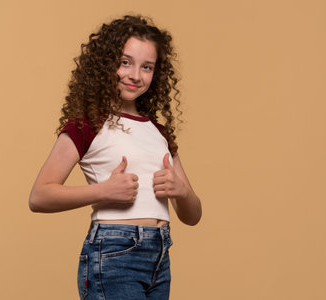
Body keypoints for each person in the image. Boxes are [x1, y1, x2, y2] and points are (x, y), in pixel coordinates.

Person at [29, 15, 202, 300]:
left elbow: (192, 215)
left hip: (160, 255)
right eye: (125, 62)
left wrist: (182, 192)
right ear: (104, 64)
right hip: (114, 253)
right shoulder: (88, 124)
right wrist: (104, 191)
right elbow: (39, 196)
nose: (136, 75)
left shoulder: (159, 132)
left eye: (146, 67)